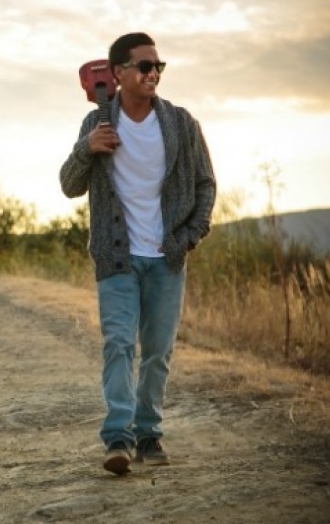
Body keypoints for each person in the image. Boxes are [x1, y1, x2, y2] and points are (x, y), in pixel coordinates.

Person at [58, 32, 216, 475]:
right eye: (144, 66)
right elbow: (69, 185)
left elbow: (205, 184)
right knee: (119, 344)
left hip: (168, 257)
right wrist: (87, 149)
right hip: (117, 257)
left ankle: (148, 432)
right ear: (117, 73)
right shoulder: (97, 124)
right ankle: (118, 438)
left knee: (157, 351)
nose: (153, 74)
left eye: (158, 66)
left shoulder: (181, 123)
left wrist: (190, 236)